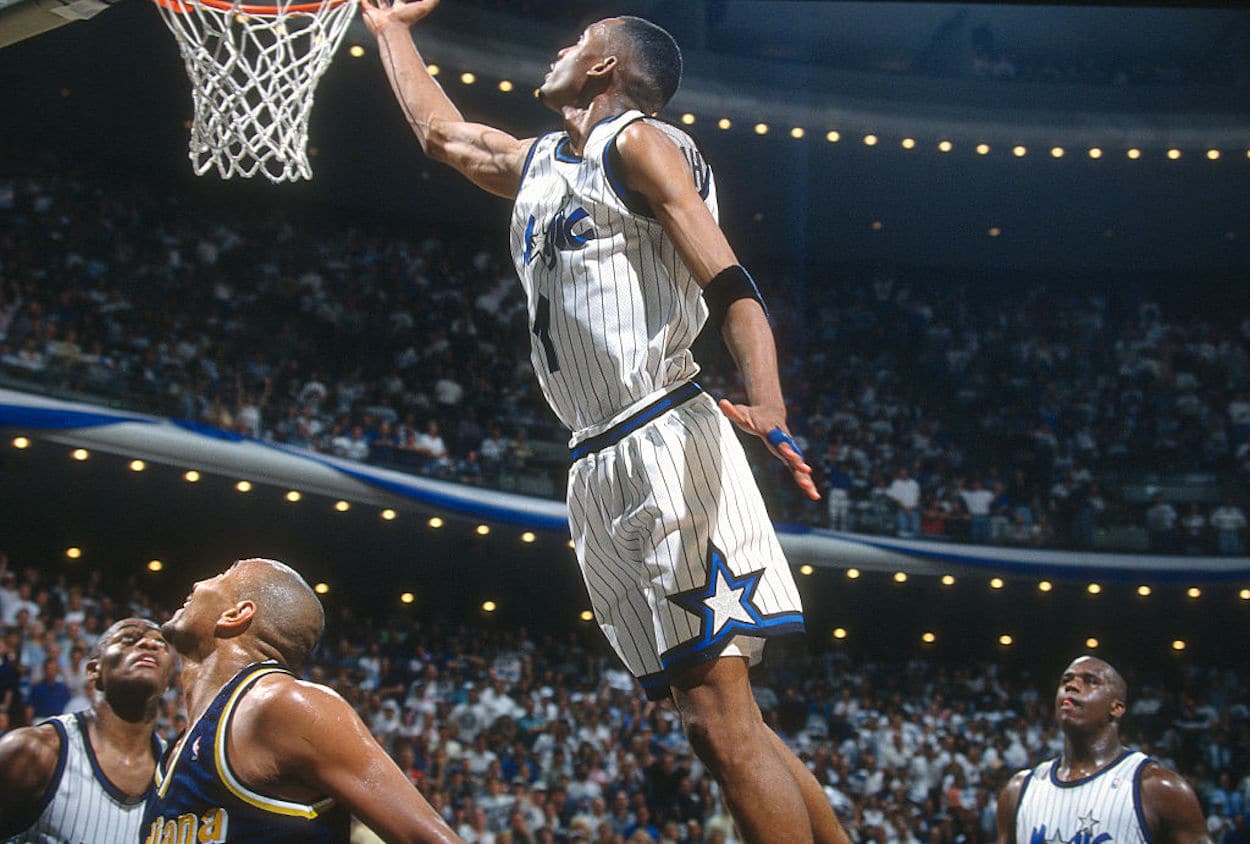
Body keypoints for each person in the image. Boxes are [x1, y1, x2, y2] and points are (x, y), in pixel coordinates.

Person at [362, 4, 847, 842]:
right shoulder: (545, 160)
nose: (556, 51)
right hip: (595, 458)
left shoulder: (640, 142)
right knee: (725, 721)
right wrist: (388, 32)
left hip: (663, 431)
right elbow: (443, 136)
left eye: (573, 44)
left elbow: (728, 275)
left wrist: (767, 398)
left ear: (603, 69)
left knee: (718, 725)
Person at [142, 558, 459, 843]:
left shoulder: (284, 705)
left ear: (235, 615)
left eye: (222, 575)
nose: (198, 584)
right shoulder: (178, 747)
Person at [995, 655, 1211, 844]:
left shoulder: (1160, 788)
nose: (1071, 686)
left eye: (1090, 681)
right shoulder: (1018, 791)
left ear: (1116, 708)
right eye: (1066, 681)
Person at [0, 618, 174, 844]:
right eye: (128, 638)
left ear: (167, 681)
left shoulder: (175, 771)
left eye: (160, 643)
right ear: (94, 670)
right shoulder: (33, 750)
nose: (149, 645)